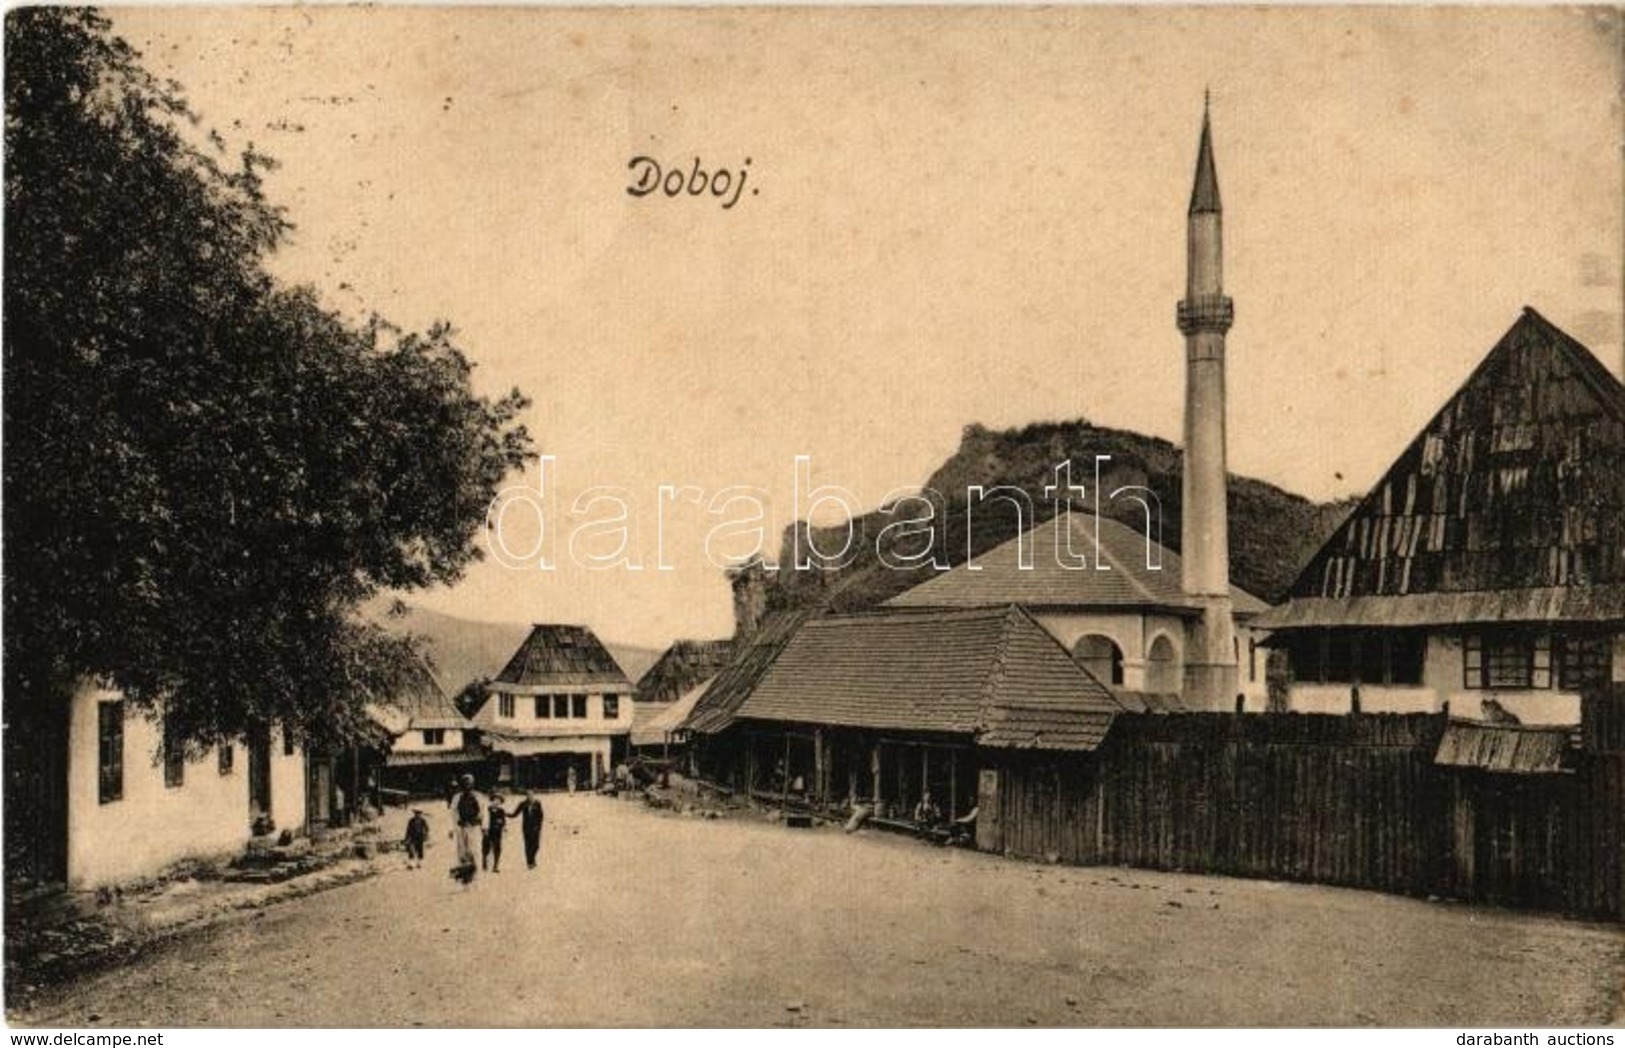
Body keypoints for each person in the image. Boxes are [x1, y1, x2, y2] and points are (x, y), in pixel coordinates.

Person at [449, 774, 481, 886]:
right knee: (462, 852)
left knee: (473, 851)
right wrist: (453, 828)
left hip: (473, 827)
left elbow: (482, 812)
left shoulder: (477, 796)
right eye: (465, 783)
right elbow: (453, 812)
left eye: (470, 783)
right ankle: (464, 877)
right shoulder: (457, 797)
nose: (468, 786)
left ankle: (475, 876)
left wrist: (483, 827)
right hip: (461, 827)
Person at [509, 790, 545, 869]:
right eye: (529, 795)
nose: (530, 796)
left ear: (534, 795)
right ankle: (529, 862)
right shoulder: (523, 804)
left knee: (536, 845)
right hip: (526, 828)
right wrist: (505, 814)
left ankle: (532, 858)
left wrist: (538, 826)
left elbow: (541, 816)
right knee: (528, 845)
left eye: (532, 795)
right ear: (526, 796)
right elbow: (515, 814)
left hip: (536, 828)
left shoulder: (537, 803)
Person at [483, 793, 509, 873]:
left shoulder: (501, 811)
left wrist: (504, 827)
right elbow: (484, 820)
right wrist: (484, 830)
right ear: (492, 801)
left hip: (497, 832)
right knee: (486, 848)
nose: (497, 802)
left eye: (499, 801)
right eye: (495, 800)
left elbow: (504, 821)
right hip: (488, 831)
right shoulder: (487, 809)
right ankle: (484, 863)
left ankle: (495, 865)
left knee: (497, 848)